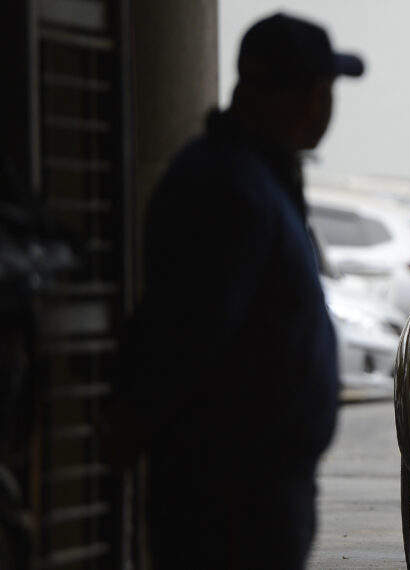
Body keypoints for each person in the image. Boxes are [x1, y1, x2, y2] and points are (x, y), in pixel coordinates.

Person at [125, 13, 364, 569]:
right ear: (305, 97)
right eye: (323, 90)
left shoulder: (250, 177)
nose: (325, 105)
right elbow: (189, 330)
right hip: (232, 500)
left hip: (253, 489)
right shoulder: (231, 188)